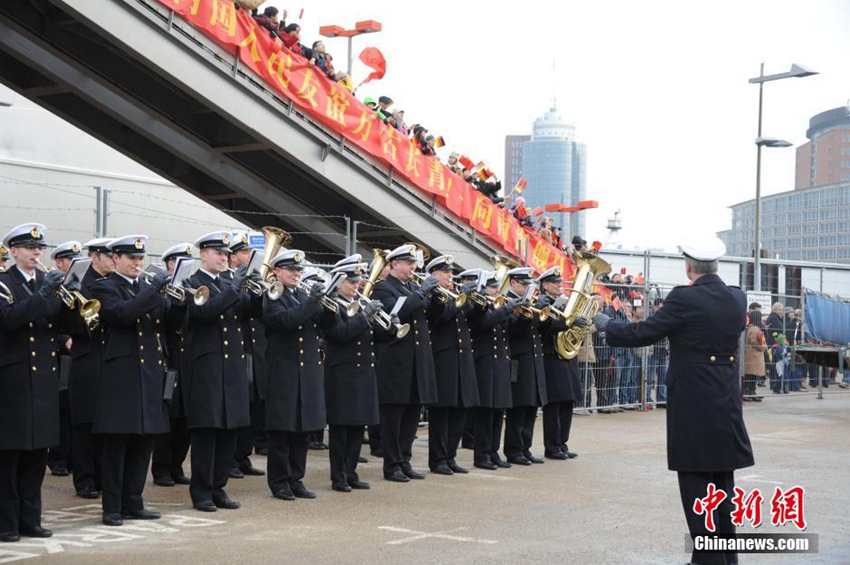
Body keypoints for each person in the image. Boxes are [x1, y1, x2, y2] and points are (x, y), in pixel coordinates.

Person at [594, 235, 753, 565]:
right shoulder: (737, 298)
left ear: (688, 267)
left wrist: (606, 324)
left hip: (694, 401)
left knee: (696, 486)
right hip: (725, 399)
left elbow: (642, 333)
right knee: (722, 485)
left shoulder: (685, 298)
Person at [90, 235, 173, 527]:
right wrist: (153, 290)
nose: (138, 264)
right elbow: (123, 315)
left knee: (144, 441)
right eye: (131, 259)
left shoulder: (147, 290)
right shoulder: (103, 287)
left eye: (140, 259)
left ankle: (134, 501)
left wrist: (177, 303)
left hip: (151, 372)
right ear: (116, 260)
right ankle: (112, 506)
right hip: (122, 376)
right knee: (117, 444)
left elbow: (168, 325)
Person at [184, 232, 261, 512]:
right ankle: (202, 491)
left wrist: (257, 294)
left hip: (232, 368)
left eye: (226, 254)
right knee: (208, 432)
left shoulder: (230, 282)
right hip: (207, 368)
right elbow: (204, 313)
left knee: (230, 431)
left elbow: (248, 313)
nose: (224, 258)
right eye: (218, 253)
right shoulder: (192, 283)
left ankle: (219, 487)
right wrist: (234, 289)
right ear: (203, 254)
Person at [0, 222, 63, 542]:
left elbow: (59, 322)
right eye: (29, 247)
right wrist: (43, 292)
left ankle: (30, 519)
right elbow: (9, 319)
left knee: (38, 453)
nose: (37, 252)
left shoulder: (44, 281)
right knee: (10, 456)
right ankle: (6, 523)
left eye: (39, 247)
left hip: (43, 380)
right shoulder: (3, 282)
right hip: (14, 380)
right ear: (13, 252)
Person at [263, 249, 336, 500]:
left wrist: (328, 307)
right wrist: (311, 302)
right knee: (282, 429)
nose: (296, 274)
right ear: (277, 272)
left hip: (307, 372)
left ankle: (296, 478)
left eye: (298, 270)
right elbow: (285, 321)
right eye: (291, 269)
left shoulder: (303, 294)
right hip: (283, 371)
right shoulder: (273, 295)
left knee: (302, 429)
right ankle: (279, 482)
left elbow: (326, 325)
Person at [370, 244, 439, 482]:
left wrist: (432, 296)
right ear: (393, 264)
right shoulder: (383, 288)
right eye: (408, 263)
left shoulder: (412, 286)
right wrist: (422, 294)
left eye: (414, 263)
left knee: (411, 416)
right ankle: (392, 465)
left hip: (415, 363)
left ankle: (405, 460)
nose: (413, 267)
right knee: (393, 418)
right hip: (395, 364)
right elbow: (395, 312)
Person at [61, 238, 114, 499]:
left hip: (109, 358)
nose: (114, 260)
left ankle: (104, 476)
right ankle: (84, 480)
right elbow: (76, 325)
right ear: (95, 257)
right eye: (109, 255)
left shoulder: (114, 282)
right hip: (87, 357)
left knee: (105, 422)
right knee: (84, 422)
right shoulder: (80, 283)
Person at [323, 257, 380, 492]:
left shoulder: (359, 303)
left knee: (358, 426)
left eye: (357, 281)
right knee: (341, 428)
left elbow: (373, 338)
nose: (356, 285)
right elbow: (340, 334)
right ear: (338, 282)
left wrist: (389, 325)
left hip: (364, 371)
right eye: (351, 281)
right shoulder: (331, 304)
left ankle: (351, 472)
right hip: (342, 374)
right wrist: (365, 316)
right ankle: (338, 476)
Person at [425, 255, 478, 475]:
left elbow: (473, 319)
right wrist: (462, 299)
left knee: (459, 410)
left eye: (451, 272)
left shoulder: (455, 295)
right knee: (442, 413)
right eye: (445, 272)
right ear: (433, 274)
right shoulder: (434, 296)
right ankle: (438, 459)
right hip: (443, 361)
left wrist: (473, 300)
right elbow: (443, 316)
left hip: (462, 360)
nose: (450, 276)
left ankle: (450, 456)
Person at [150, 243, 194, 488]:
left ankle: (177, 465)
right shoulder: (160, 290)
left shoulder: (190, 287)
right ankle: (162, 468)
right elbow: (168, 323)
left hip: (189, 356)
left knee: (186, 416)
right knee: (169, 416)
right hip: (170, 355)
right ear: (169, 264)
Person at [226, 233, 267, 480]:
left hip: (256, 351)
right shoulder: (226, 281)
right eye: (244, 253)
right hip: (238, 352)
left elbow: (260, 312)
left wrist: (259, 291)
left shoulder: (253, 279)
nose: (249, 256)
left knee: (255, 406)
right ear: (233, 258)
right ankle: (230, 458)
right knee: (239, 407)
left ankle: (243, 456)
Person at [537, 266, 588, 460]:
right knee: (554, 404)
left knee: (567, 401)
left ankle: (562, 443)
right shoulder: (543, 304)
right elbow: (548, 326)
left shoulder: (566, 303)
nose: (559, 286)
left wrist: (580, 325)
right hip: (552, 356)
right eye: (555, 283)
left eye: (559, 282)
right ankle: (552, 446)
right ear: (545, 285)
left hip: (568, 356)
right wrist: (571, 321)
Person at [502, 268, 547, 465]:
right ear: (512, 282)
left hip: (533, 358)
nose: (526, 287)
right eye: (522, 284)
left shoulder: (528, 302)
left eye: (528, 284)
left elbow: (539, 330)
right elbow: (516, 331)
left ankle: (525, 447)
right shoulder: (506, 302)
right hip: (518, 360)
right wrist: (526, 314)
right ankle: (514, 450)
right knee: (519, 408)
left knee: (531, 407)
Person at [47, 241, 83, 478]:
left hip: (76, 352)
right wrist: (62, 339)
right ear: (59, 262)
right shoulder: (51, 286)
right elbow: (50, 319)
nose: (74, 265)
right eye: (70, 261)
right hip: (58, 353)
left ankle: (71, 456)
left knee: (73, 406)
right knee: (60, 407)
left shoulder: (77, 287)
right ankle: (58, 457)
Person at [742, 310, 766, 402]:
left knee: (750, 375)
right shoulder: (755, 328)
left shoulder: (750, 327)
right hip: (754, 354)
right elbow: (753, 341)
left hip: (751, 353)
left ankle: (751, 392)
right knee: (752, 375)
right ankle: (750, 392)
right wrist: (762, 347)